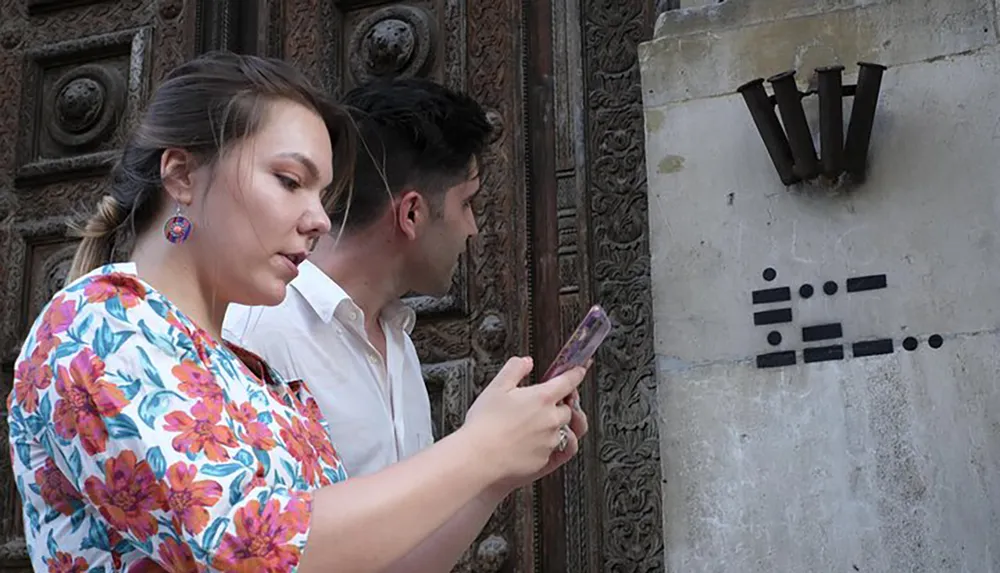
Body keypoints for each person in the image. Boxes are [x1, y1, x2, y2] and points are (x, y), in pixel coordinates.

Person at [7, 52, 588, 573]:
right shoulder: (99, 321)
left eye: (322, 194)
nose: (318, 219)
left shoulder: (248, 371)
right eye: (290, 181)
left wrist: (493, 473)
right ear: (183, 176)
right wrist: (476, 450)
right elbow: (248, 548)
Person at [223, 78, 517, 570]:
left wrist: (495, 471)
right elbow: (264, 552)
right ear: (412, 213)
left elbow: (402, 561)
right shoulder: (258, 329)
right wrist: (475, 449)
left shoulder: (397, 341)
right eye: (467, 204)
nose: (473, 228)